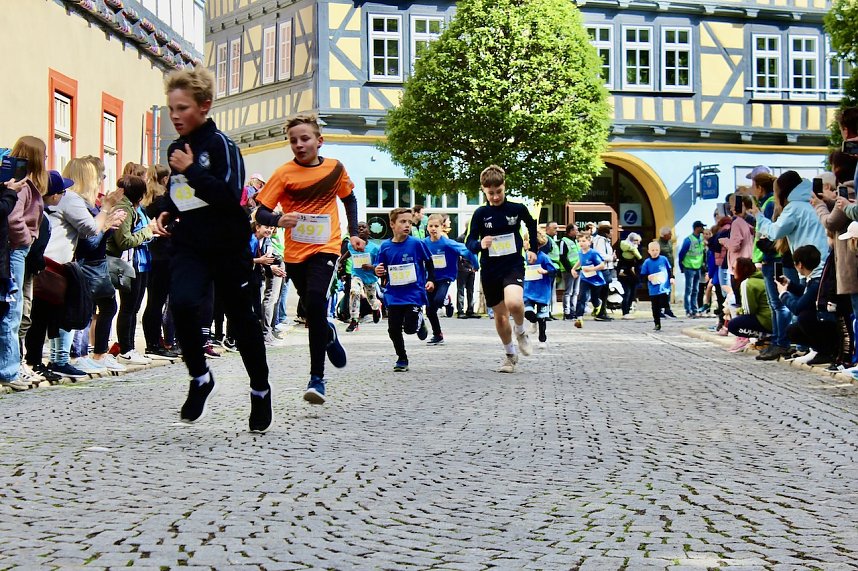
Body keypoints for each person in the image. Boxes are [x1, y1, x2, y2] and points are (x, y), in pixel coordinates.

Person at [152, 67, 272, 432]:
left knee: (242, 320)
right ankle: (200, 377)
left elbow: (228, 197)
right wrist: (163, 212)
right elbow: (181, 196)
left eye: (182, 108)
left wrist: (193, 171)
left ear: (204, 107)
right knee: (184, 304)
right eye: (171, 108)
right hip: (190, 245)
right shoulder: (175, 148)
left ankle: (260, 389)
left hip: (228, 245)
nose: (175, 116)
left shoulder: (222, 146)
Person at [254, 114, 360, 405]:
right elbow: (260, 212)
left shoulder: (334, 169)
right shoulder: (283, 174)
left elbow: (349, 198)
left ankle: (317, 378)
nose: (299, 145)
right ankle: (328, 334)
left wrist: (352, 233)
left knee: (315, 301)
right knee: (310, 307)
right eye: (293, 141)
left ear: (318, 141)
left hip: (326, 247)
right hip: (296, 252)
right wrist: (279, 219)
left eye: (305, 139)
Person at [465, 165, 538, 374]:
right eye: (491, 193)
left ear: (504, 186)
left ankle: (522, 332)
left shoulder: (516, 209)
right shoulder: (481, 214)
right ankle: (509, 356)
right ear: (484, 191)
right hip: (490, 269)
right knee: (500, 316)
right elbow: (469, 241)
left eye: (499, 192)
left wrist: (532, 247)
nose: (496, 197)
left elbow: (531, 225)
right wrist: (480, 245)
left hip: (513, 265)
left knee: (514, 303)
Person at [1, 137, 47, 392]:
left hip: (18, 250)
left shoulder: (23, 183)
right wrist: (26, 239)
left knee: (14, 310)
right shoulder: (20, 185)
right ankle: (8, 369)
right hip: (16, 250)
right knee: (13, 311)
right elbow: (13, 218)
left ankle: (10, 366)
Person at [375, 208, 435, 371]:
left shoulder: (417, 244)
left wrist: (430, 279)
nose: (407, 225)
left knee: (409, 329)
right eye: (403, 222)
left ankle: (419, 320)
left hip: (414, 292)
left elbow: (429, 262)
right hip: (394, 294)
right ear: (392, 224)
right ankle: (402, 358)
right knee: (393, 329)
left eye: (409, 222)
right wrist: (377, 270)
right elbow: (379, 266)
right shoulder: (386, 247)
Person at [107, 175, 158, 366]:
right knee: (128, 307)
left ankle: (130, 347)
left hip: (138, 262)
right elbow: (124, 240)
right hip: (129, 263)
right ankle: (125, 348)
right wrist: (148, 231)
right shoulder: (124, 209)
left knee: (134, 307)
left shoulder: (132, 208)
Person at [423, 213, 478, 345]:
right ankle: (438, 334)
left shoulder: (448, 243)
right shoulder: (423, 243)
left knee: (438, 300)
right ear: (427, 227)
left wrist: (476, 264)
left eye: (436, 226)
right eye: (431, 226)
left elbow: (467, 251)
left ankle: (446, 301)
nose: (433, 229)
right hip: (430, 278)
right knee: (430, 310)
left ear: (442, 227)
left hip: (445, 277)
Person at [725, 257, 772, 353]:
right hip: (772, 319)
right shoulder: (762, 279)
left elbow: (749, 311)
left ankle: (768, 336)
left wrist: (737, 311)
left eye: (734, 268)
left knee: (733, 325)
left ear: (742, 269)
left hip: (765, 320)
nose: (732, 271)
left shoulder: (747, 283)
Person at [341, 221, 381, 332]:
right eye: (358, 228)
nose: (361, 229)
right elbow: (349, 252)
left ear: (368, 231)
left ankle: (376, 308)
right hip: (356, 274)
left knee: (371, 299)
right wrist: (340, 261)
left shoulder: (375, 248)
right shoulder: (351, 244)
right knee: (354, 291)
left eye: (364, 227)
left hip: (370, 277)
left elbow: (379, 263)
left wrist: (372, 267)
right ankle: (354, 320)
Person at [523, 231, 557, 348]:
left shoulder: (543, 257)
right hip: (528, 290)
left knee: (542, 317)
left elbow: (553, 270)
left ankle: (542, 340)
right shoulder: (524, 256)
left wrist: (545, 271)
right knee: (527, 312)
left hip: (542, 291)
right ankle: (533, 321)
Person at [572, 232, 607, 328]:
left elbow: (602, 265)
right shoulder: (580, 252)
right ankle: (579, 318)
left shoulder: (593, 253)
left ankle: (598, 304)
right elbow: (580, 261)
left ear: (589, 242)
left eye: (584, 241)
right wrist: (573, 269)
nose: (581, 243)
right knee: (581, 297)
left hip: (596, 280)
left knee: (594, 299)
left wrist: (591, 269)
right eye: (579, 241)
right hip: (585, 278)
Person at [639, 240, 674, 331]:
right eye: (653, 250)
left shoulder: (664, 259)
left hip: (664, 287)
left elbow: (669, 269)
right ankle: (657, 323)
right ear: (649, 251)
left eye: (656, 250)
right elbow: (642, 275)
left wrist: (671, 278)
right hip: (653, 289)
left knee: (664, 301)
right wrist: (648, 277)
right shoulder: (647, 262)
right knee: (655, 307)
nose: (655, 252)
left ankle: (666, 310)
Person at [678, 221, 706, 318]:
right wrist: (681, 267)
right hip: (689, 267)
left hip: (698, 267)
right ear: (697, 228)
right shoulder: (688, 240)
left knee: (696, 290)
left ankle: (694, 309)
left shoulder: (702, 239)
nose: (703, 229)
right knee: (689, 290)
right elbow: (681, 254)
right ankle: (688, 310)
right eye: (701, 227)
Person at [590, 221, 616, 321]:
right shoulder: (600, 240)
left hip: (607, 268)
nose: (612, 234)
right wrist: (611, 258)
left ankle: (602, 311)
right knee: (600, 291)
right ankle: (600, 310)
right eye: (610, 231)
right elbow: (600, 254)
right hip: (602, 268)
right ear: (606, 232)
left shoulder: (605, 241)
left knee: (604, 291)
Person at [617, 232, 642, 318]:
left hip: (626, 274)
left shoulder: (623, 247)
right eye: (637, 241)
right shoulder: (633, 249)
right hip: (629, 274)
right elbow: (640, 260)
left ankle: (626, 311)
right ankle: (625, 312)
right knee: (628, 293)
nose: (638, 243)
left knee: (630, 293)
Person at [455, 229, 479, 318]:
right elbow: (457, 253)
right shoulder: (461, 238)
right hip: (463, 267)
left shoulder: (474, 239)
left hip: (471, 266)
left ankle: (470, 309)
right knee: (461, 289)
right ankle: (460, 310)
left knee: (470, 290)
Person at [559, 224, 580, 320]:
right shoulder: (564, 241)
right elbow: (562, 257)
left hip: (577, 269)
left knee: (575, 292)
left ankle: (573, 310)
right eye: (576, 230)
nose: (577, 231)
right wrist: (570, 269)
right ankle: (567, 312)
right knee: (568, 291)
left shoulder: (575, 241)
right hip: (568, 270)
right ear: (570, 231)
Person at [541, 221, 562, 318]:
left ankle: (548, 312)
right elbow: (545, 256)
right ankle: (545, 313)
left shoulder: (550, 239)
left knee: (550, 291)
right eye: (554, 228)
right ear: (547, 229)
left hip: (552, 269)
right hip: (548, 269)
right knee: (547, 291)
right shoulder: (546, 240)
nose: (556, 230)